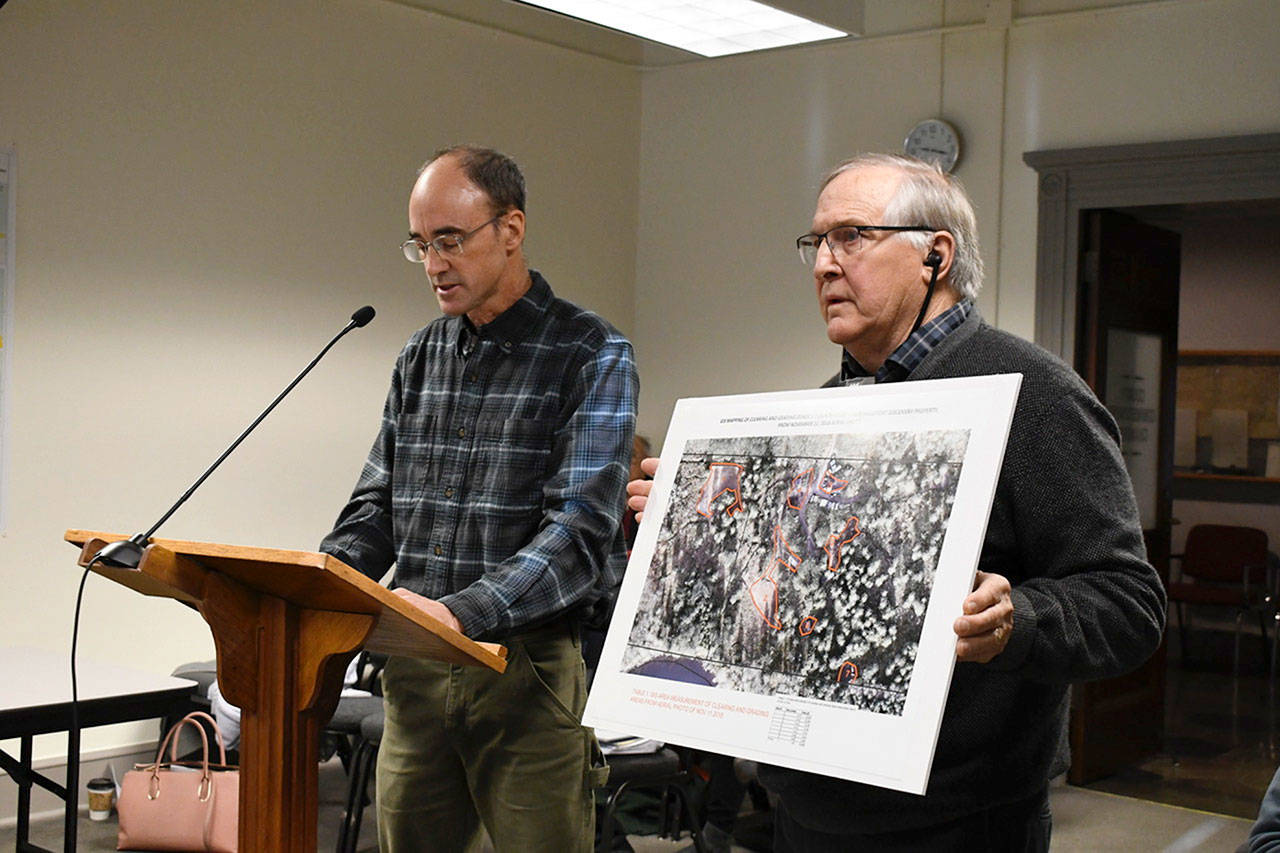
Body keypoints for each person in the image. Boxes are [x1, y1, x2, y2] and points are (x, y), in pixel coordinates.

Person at [627, 153, 1165, 851]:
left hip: (955, 822)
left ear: (934, 256)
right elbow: (798, 593)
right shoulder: (824, 415)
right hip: (806, 806)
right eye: (816, 242)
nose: (824, 263)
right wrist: (695, 534)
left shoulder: (1036, 398)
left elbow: (1129, 602)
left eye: (852, 236)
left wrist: (1018, 620)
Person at [320, 145, 637, 852]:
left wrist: (459, 614)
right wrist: (318, 584)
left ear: (511, 230)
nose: (433, 263)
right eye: (421, 244)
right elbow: (377, 509)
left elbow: (579, 535)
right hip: (415, 676)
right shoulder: (419, 355)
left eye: (450, 241)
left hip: (525, 676)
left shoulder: (590, 353)